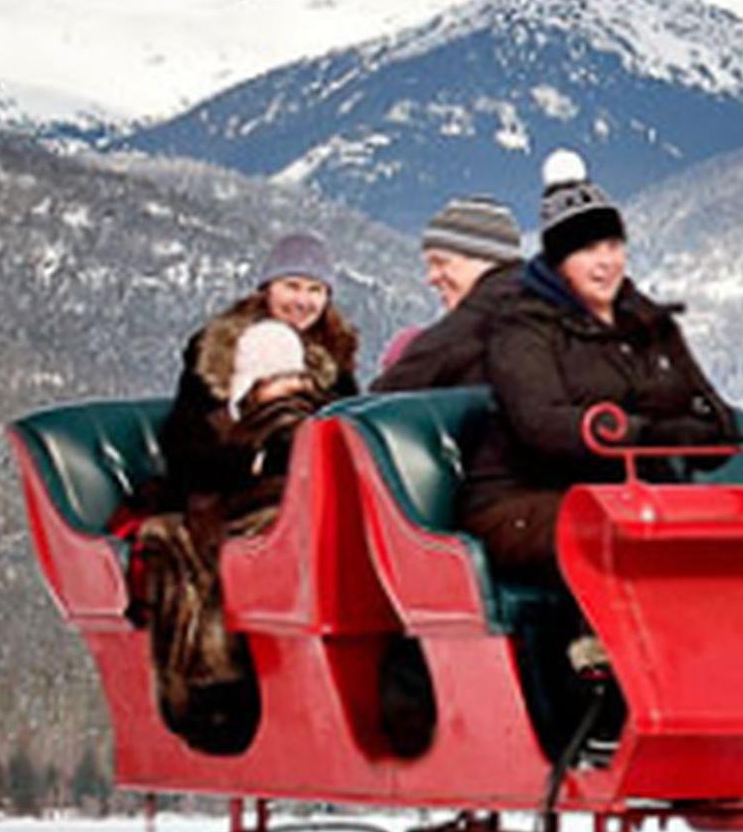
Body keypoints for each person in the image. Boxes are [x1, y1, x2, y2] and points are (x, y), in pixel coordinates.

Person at [454, 151, 743, 582]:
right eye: (587, 249)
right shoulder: (522, 327)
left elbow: (698, 396)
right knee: (612, 528)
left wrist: (704, 432)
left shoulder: (647, 322)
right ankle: (591, 645)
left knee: (717, 529)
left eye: (612, 246)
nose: (606, 261)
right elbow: (541, 423)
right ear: (558, 259)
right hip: (523, 498)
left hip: (627, 492)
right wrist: (645, 434)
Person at [132, 232, 365, 747]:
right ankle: (215, 686)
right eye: (292, 286)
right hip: (227, 489)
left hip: (305, 489)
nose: (302, 300)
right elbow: (187, 441)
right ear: (267, 288)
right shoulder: (218, 351)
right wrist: (251, 450)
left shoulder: (332, 360)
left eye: (315, 289)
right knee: (207, 550)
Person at [376, 194, 528, 389]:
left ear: (484, 259)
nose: (431, 277)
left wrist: (360, 411)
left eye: (441, 262)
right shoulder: (521, 307)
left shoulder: (493, 307)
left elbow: (428, 361)